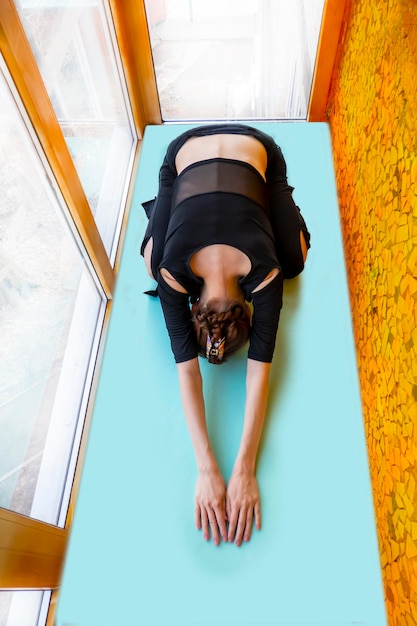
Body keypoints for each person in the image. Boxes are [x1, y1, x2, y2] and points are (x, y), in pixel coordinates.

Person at [140, 123, 310, 547]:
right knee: (151, 259)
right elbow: (200, 373)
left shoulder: (266, 277)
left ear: (247, 311)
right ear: (193, 308)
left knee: (294, 257)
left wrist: (231, 468)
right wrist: (228, 468)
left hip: (254, 147)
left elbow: (244, 373)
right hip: (183, 151)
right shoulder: (172, 277)